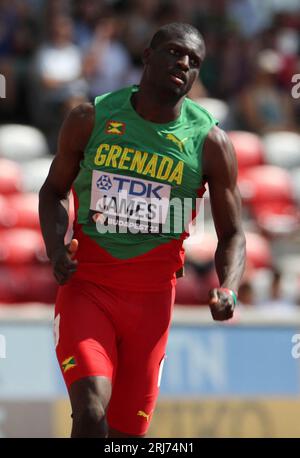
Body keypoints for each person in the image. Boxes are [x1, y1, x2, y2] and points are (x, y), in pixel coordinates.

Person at [39, 22, 246, 438]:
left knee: (127, 437)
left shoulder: (210, 142)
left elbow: (234, 233)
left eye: (194, 62)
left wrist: (230, 287)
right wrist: (56, 249)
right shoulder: (91, 118)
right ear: (148, 56)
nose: (183, 63)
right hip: (90, 288)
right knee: (90, 407)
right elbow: (53, 191)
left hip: (152, 304)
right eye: (174, 52)